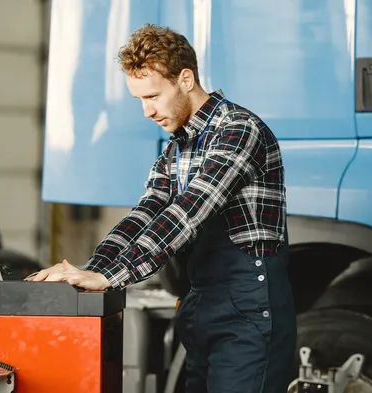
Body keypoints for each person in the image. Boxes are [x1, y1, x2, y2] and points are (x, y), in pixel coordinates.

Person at [29, 24, 296, 393]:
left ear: (185, 79)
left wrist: (115, 275)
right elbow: (146, 214)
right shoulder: (176, 149)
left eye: (152, 96)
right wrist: (91, 270)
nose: (146, 111)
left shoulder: (239, 131)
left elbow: (188, 212)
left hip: (248, 316)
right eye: (139, 99)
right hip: (202, 307)